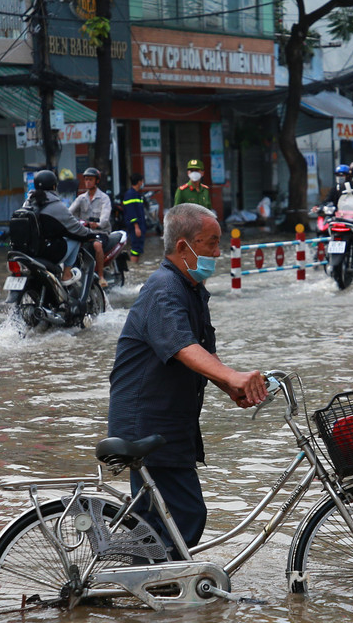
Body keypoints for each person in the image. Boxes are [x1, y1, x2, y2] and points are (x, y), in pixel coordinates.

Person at [106, 203, 268, 558]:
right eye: (209, 243)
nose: (216, 252)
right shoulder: (164, 289)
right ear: (183, 247)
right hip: (148, 423)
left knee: (156, 522)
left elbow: (203, 351)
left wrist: (231, 386)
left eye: (217, 244)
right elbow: (182, 347)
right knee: (185, 515)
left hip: (168, 423)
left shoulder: (190, 288)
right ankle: (148, 586)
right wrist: (233, 376)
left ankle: (140, 589)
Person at [22, 169, 103, 286]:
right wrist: (92, 234)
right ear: (54, 186)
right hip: (45, 251)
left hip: (29, 251)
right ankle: (67, 274)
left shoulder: (27, 202)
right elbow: (75, 228)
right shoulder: (55, 205)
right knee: (76, 237)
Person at [120, 172, 151, 261]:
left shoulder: (136, 194)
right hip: (135, 226)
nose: (142, 183)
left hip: (140, 225)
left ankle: (136, 267)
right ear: (139, 182)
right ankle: (134, 265)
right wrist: (136, 227)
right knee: (136, 248)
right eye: (142, 181)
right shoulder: (131, 194)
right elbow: (131, 212)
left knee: (138, 248)